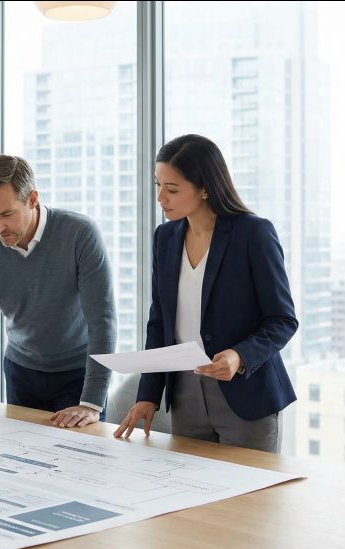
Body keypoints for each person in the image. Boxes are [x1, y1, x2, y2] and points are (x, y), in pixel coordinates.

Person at [114, 134, 298, 452]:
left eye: (171, 189)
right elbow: (159, 323)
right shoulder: (165, 237)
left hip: (245, 393)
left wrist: (239, 355)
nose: (160, 197)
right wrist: (147, 396)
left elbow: (282, 319)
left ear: (205, 188)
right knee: (193, 496)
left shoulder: (253, 233)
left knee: (250, 499)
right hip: (185, 395)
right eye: (158, 185)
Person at [0, 155, 116, 428]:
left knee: (80, 463)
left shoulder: (80, 234)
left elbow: (102, 322)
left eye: (6, 214)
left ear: (32, 199)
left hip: (79, 373)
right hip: (21, 372)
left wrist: (92, 403)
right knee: (24, 463)